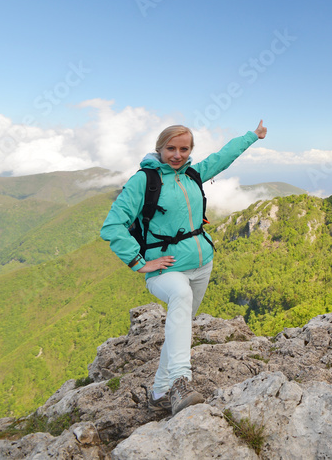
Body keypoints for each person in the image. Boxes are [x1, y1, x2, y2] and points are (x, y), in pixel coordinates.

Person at [101, 120, 267, 415]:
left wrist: (252, 136)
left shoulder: (193, 173)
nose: (177, 154)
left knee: (180, 328)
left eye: (184, 149)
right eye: (171, 148)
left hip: (203, 264)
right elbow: (112, 226)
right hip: (165, 269)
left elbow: (223, 157)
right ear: (160, 148)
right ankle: (180, 382)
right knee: (179, 296)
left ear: (190, 150)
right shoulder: (145, 180)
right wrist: (140, 263)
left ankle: (159, 392)